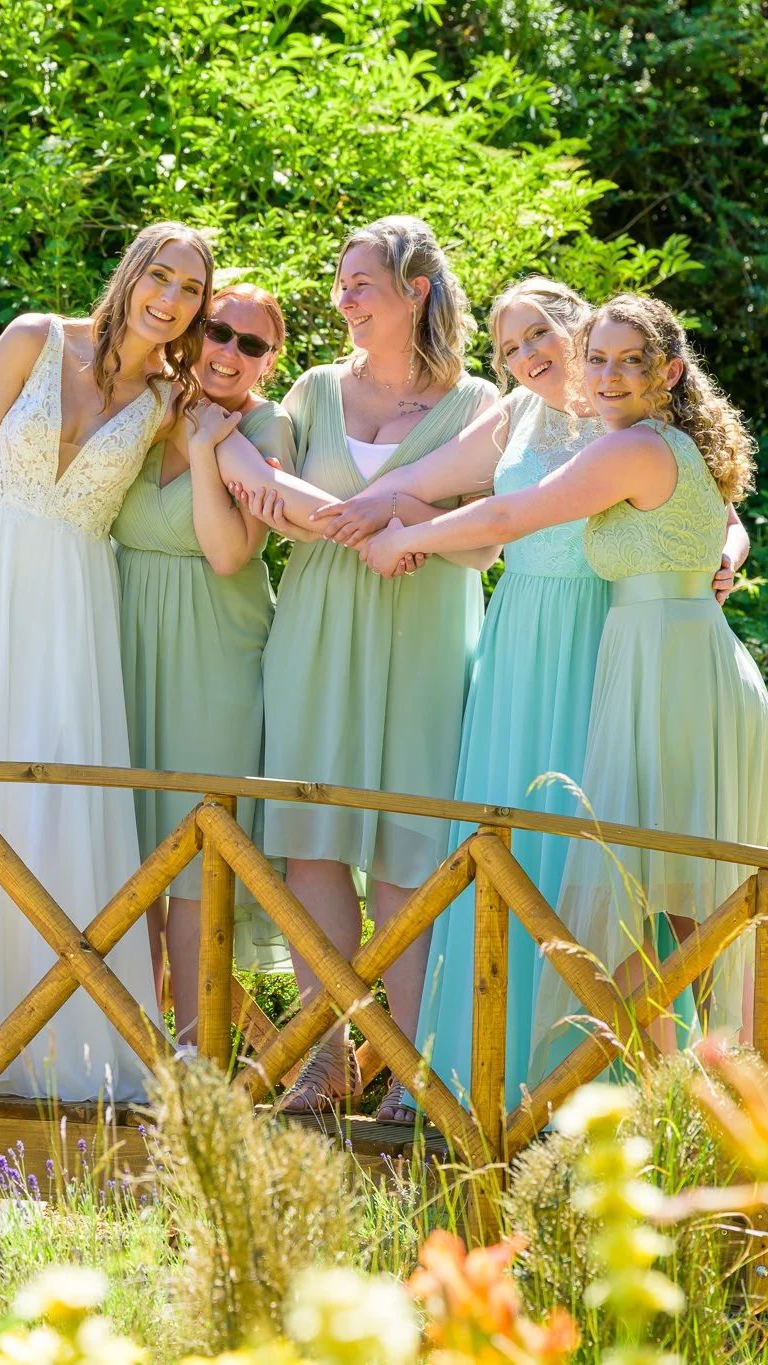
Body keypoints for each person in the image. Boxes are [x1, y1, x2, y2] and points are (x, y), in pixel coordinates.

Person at [316, 278, 750, 1110]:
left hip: (605, 638)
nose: (528, 356)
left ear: (579, 329)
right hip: (523, 638)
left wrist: (728, 552)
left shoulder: (623, 415)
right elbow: (424, 481)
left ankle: (608, 1082)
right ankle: (486, 1070)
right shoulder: (519, 413)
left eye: (541, 334)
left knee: (600, 854)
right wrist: (350, 514)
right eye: (510, 346)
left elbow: (714, 506)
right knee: (505, 838)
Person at [0, 222, 215, 1103]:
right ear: (131, 274)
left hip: (70, 616)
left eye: (190, 291)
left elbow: (227, 477)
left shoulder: (172, 401)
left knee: (51, 802)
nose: (169, 300)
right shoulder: (32, 338)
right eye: (160, 277)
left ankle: (58, 1048)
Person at [224, 217, 498, 1121]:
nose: (343, 301)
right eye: (339, 285)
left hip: (426, 641)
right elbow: (270, 495)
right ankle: (322, 1059)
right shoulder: (311, 389)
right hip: (317, 627)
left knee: (409, 857)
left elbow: (491, 544)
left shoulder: (481, 404)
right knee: (314, 842)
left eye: (361, 284)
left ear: (416, 289)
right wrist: (369, 525)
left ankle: (414, 1070)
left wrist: (404, 522)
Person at [113, 281, 289, 1045]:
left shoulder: (266, 427)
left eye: (251, 345)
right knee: (127, 847)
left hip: (217, 652)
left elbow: (226, 552)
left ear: (270, 363)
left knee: (194, 850)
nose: (228, 352)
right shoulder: (151, 402)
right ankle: (124, 1046)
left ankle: (194, 1053)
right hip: (124, 640)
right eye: (219, 331)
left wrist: (212, 446)